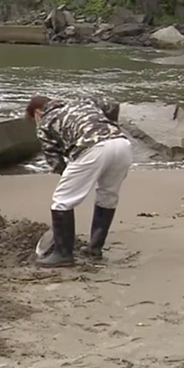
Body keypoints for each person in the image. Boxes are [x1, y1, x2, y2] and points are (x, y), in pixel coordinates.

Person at [26, 95, 134, 268]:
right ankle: (95, 248)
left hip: (93, 148)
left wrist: (70, 177)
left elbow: (54, 159)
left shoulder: (46, 121)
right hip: (121, 144)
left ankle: (62, 254)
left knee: (62, 200)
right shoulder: (82, 102)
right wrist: (107, 127)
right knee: (107, 195)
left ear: (37, 112)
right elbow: (111, 104)